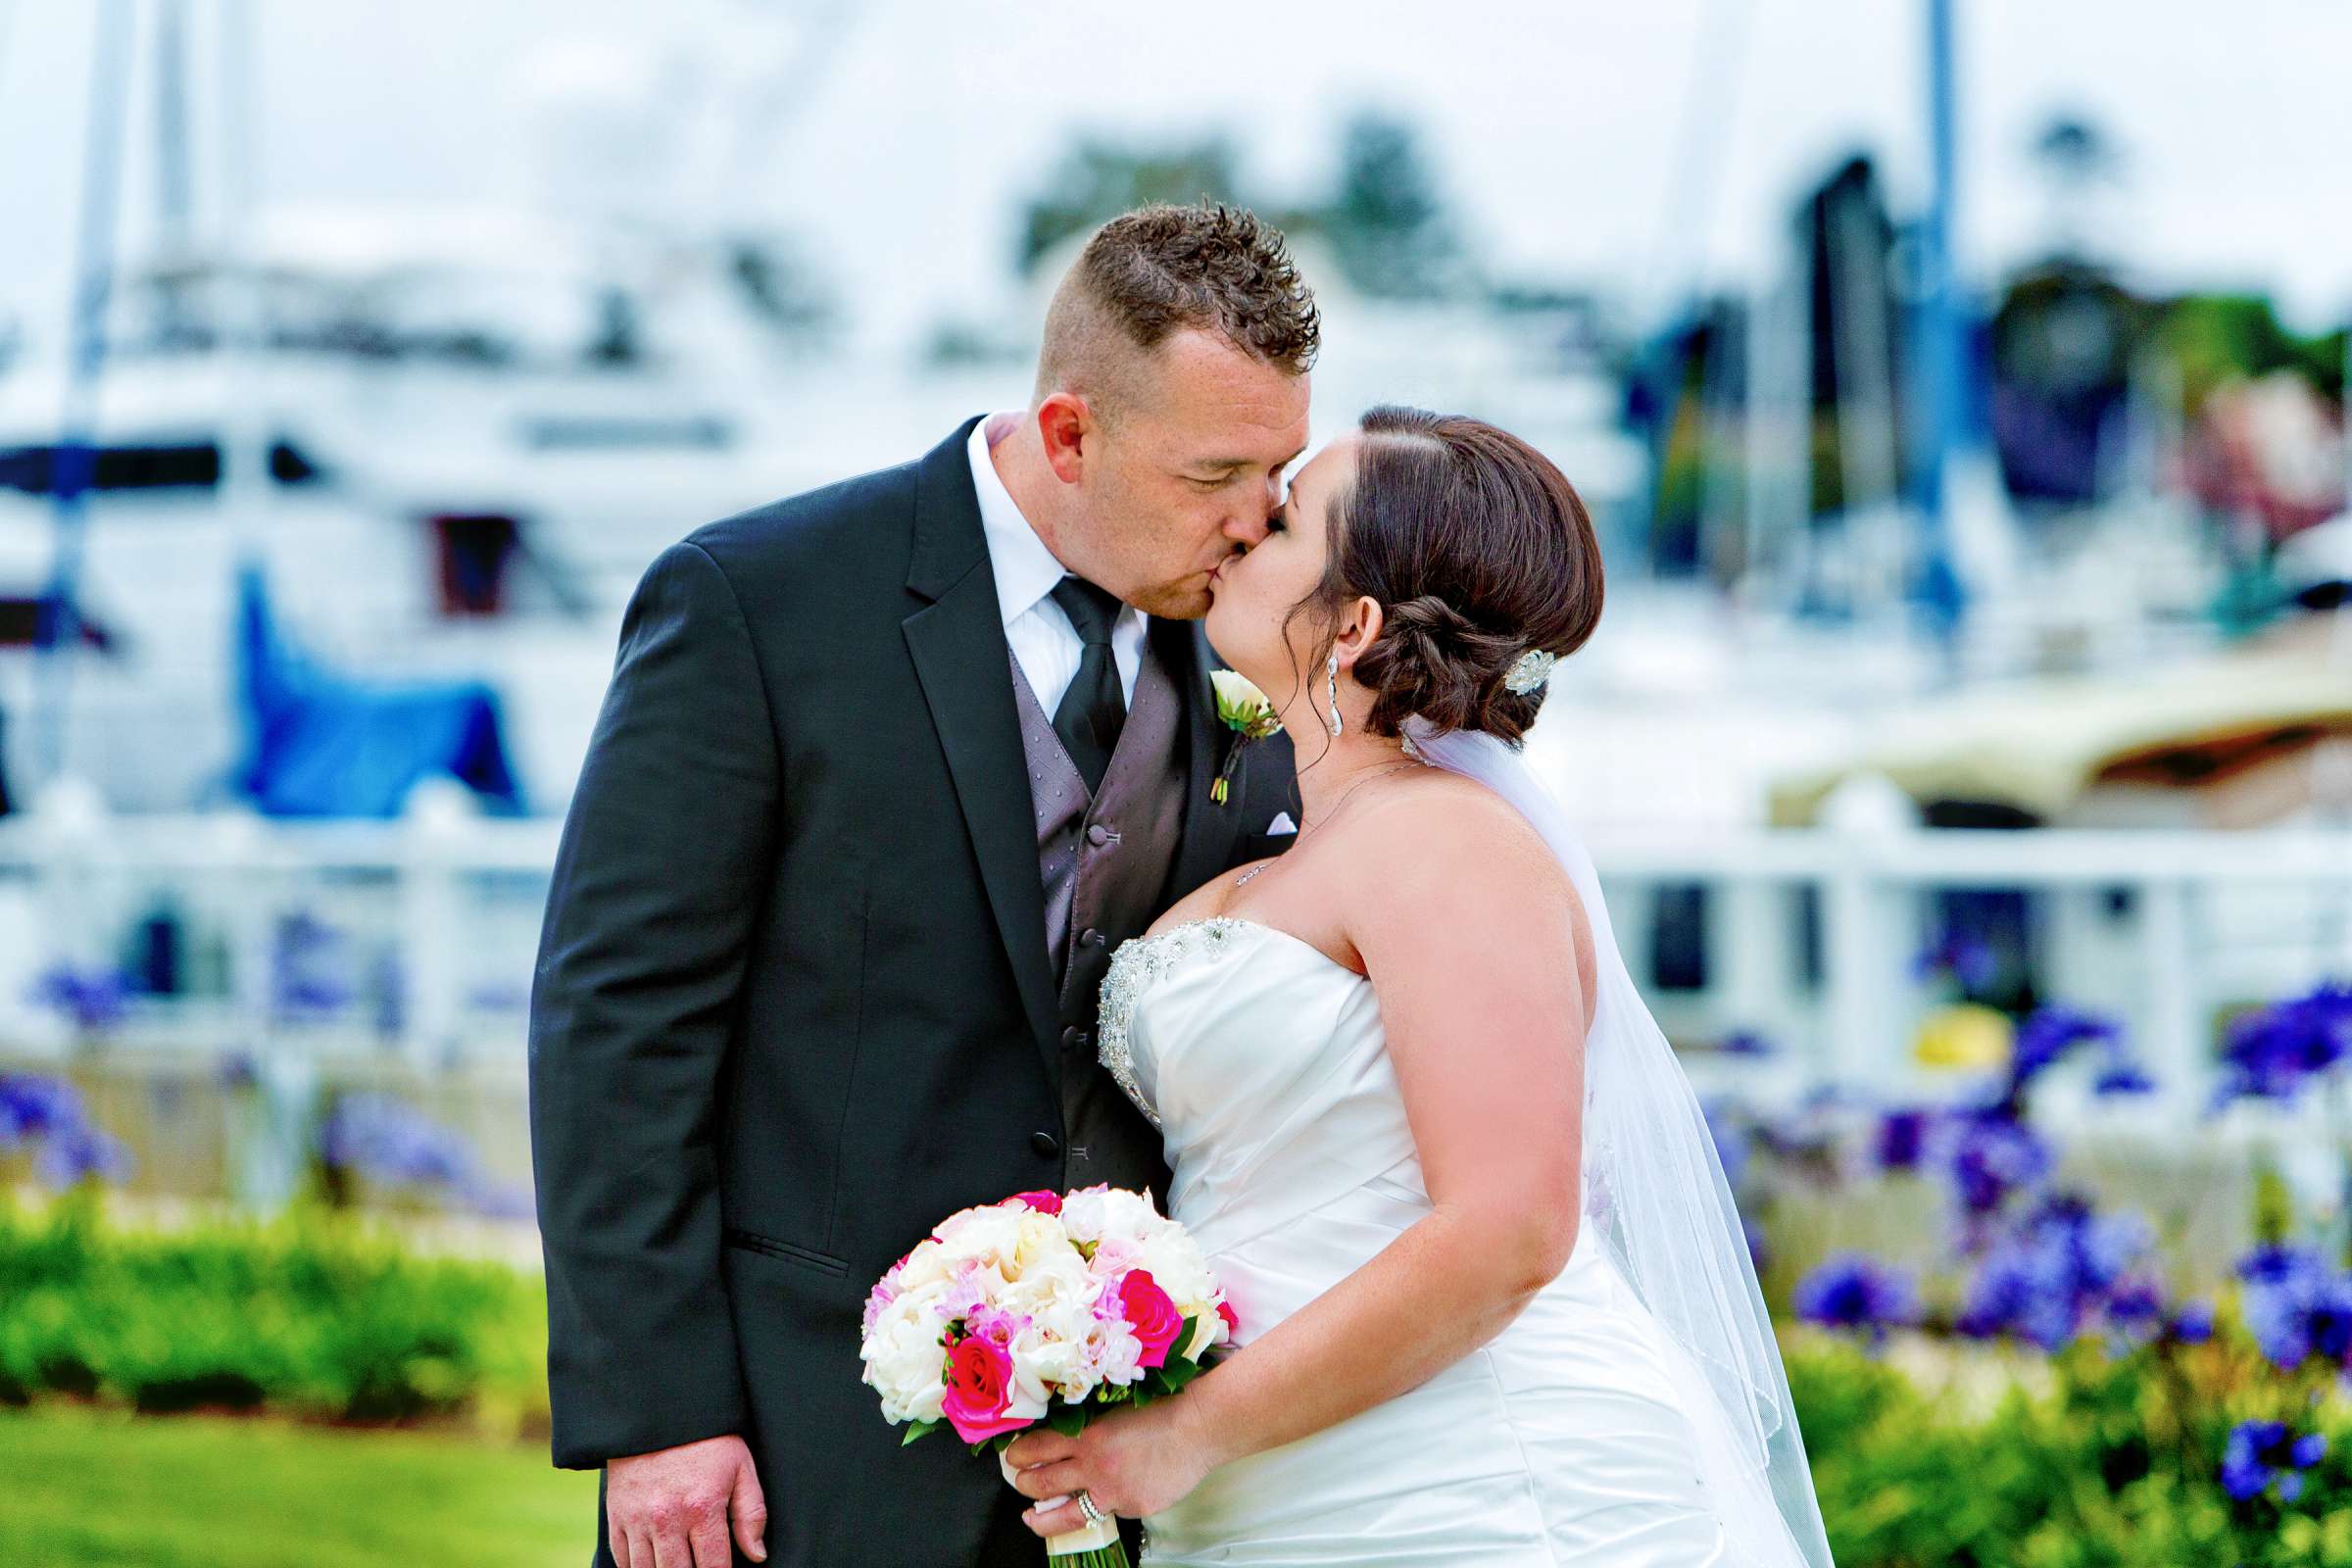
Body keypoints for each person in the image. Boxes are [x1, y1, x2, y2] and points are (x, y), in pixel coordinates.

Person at [526, 202, 1312, 1568]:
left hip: (1132, 1479)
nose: (1259, 523)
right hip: (796, 1446)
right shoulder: (756, 603)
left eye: (1280, 469)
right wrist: (658, 1415)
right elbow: (617, 1026)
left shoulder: (1253, 642)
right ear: (1069, 434)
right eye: (1216, 473)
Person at [1000, 407, 1838, 1566]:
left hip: (1478, 1479)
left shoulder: (1448, 841)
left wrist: (1190, 1431)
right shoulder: (1280, 849)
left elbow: (1508, 1226)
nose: (1242, 530)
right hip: (1274, 1485)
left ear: (1350, 623)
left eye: (1283, 519)